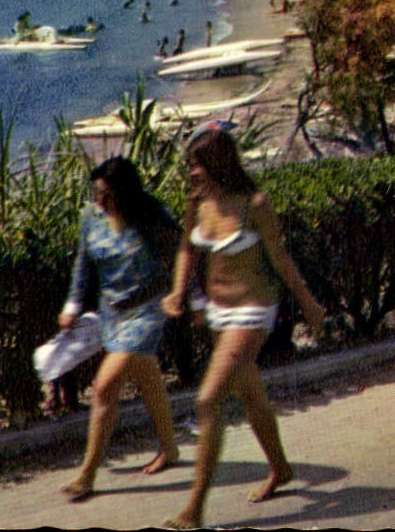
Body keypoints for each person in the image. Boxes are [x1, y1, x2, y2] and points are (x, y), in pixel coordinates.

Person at [161, 127, 326, 528]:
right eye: (190, 165)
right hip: (218, 313)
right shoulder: (198, 202)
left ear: (218, 164)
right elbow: (187, 249)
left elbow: (281, 259)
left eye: (197, 165)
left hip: (253, 311)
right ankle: (281, 469)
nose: (191, 172)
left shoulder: (255, 205)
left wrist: (309, 305)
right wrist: (178, 291)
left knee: (208, 401)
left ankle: (194, 510)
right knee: (251, 395)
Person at [58, 158, 181, 501]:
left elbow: (181, 256)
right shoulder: (91, 216)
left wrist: (191, 296)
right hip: (111, 312)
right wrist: (72, 305)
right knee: (147, 377)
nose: (99, 200)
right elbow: (83, 264)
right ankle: (170, 449)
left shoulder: (151, 215)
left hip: (148, 309)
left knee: (104, 387)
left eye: (107, 194)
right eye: (96, 193)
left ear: (125, 192)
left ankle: (86, 475)